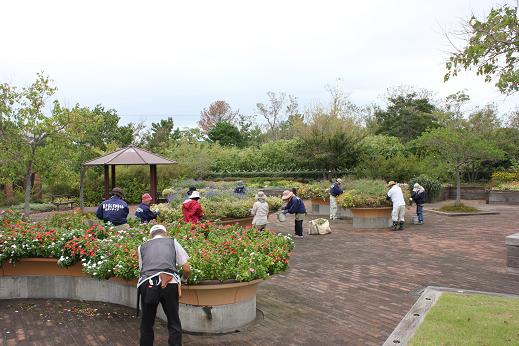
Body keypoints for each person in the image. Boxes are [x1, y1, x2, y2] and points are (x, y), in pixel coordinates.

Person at [137, 224, 190, 346]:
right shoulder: (172, 242)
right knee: (173, 322)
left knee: (146, 323)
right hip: (170, 284)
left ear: (151, 235)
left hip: (148, 284)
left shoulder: (142, 247)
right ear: (165, 233)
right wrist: (184, 279)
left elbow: (142, 270)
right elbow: (186, 268)